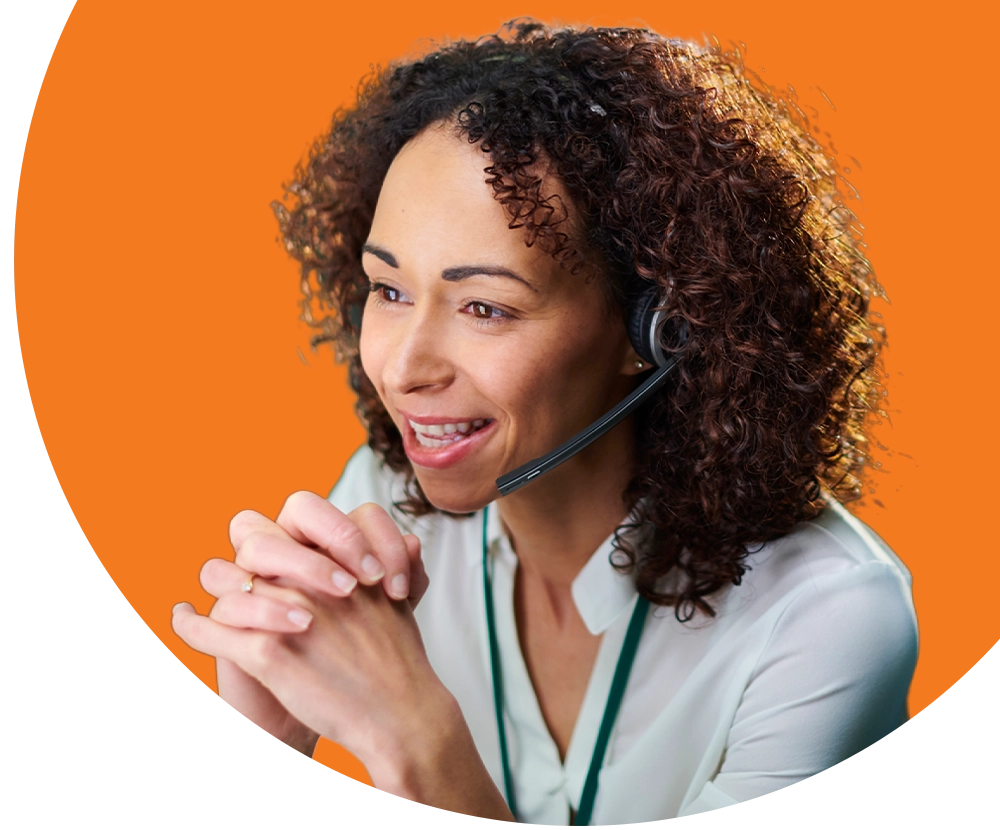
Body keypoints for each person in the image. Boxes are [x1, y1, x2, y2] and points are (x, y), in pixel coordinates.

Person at [171, 20, 918, 824]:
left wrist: (419, 746)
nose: (405, 368)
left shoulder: (829, 617)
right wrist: (262, 750)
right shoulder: (379, 502)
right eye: (389, 291)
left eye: (486, 306)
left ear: (658, 329)